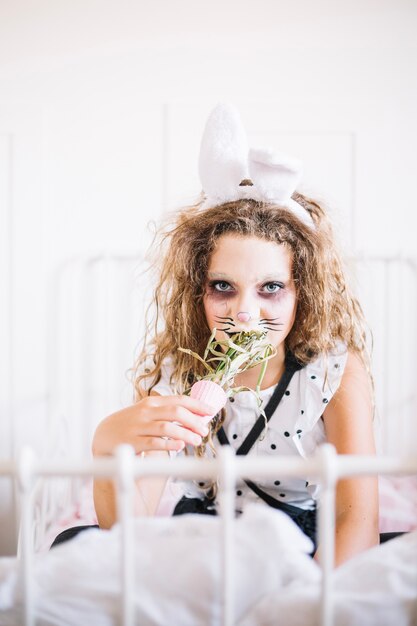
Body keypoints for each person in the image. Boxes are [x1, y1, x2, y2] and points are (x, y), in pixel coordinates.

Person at [54, 104, 386, 566]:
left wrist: (309, 604)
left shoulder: (333, 372)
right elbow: (128, 530)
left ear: (301, 294)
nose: (245, 314)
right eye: (223, 287)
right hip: (202, 543)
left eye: (271, 288)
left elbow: (358, 518)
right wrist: (109, 446)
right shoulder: (179, 371)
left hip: (301, 548)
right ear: (199, 292)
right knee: (72, 541)